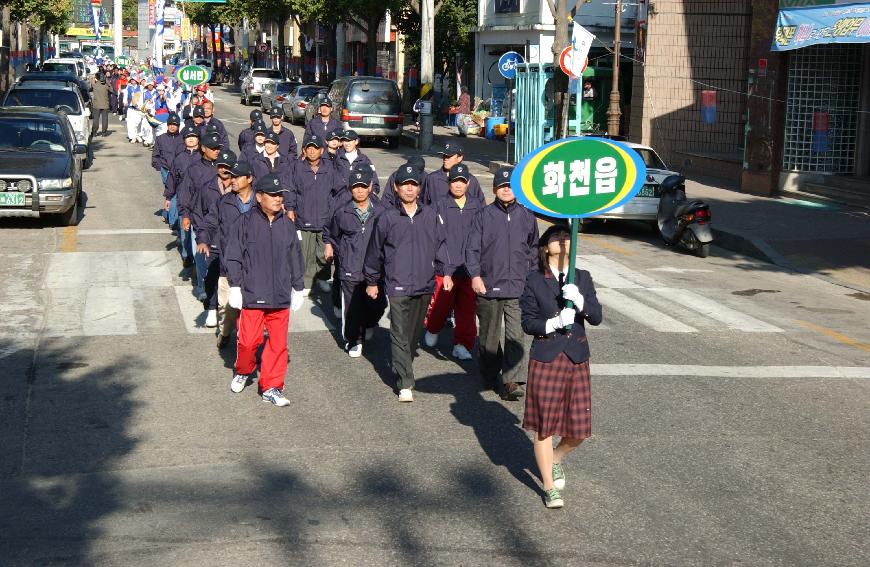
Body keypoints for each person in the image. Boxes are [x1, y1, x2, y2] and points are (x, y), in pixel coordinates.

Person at [519, 225, 602, 509]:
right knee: (544, 427)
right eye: (557, 238)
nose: (564, 241)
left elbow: (597, 317)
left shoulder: (583, 277)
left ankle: (555, 459)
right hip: (547, 354)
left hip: (576, 355)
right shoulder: (534, 279)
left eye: (567, 237)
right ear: (545, 248)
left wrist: (581, 302)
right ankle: (549, 486)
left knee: (579, 429)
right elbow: (528, 322)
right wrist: (553, 323)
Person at [224, 174, 306, 407]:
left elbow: (295, 258)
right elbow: (233, 256)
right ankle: (243, 369)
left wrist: (298, 288)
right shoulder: (244, 222)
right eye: (273, 195)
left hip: (280, 296)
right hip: (252, 294)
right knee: (249, 342)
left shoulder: (287, 225)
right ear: (259, 197)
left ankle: (272, 386)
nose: (278, 199)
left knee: (278, 345)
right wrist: (236, 286)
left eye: (280, 195)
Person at [364, 164, 441, 403]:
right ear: (396, 188)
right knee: (398, 331)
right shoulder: (386, 217)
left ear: (419, 188)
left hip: (424, 283)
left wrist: (446, 272)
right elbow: (374, 252)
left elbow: (442, 245)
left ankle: (404, 359)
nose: (410, 188)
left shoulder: (430, 215)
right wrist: (372, 280)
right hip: (396, 284)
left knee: (412, 333)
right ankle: (405, 382)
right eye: (405, 184)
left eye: (414, 184)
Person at [465, 166, 539, 401]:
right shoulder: (483, 216)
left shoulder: (527, 216)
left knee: (516, 335)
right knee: (488, 337)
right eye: (502, 186)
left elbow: (534, 250)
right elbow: (471, 249)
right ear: (495, 188)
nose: (506, 190)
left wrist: (534, 278)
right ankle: (489, 373)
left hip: (518, 286)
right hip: (488, 286)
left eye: (511, 186)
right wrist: (475, 276)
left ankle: (512, 380)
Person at [324, 168, 387, 357]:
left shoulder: (382, 212)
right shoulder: (342, 212)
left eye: (362, 187)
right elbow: (332, 234)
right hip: (350, 267)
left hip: (376, 269)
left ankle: (369, 323)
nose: (359, 191)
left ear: (369, 187)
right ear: (350, 189)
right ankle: (354, 340)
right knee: (352, 308)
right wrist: (337, 252)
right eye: (355, 187)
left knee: (377, 305)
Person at [423, 163, 481, 361]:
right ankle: (432, 328)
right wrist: (446, 268)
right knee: (441, 305)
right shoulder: (438, 205)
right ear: (448, 182)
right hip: (445, 267)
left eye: (462, 181)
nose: (458, 185)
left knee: (467, 309)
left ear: (469, 183)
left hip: (469, 268)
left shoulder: (477, 206)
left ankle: (462, 344)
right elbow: (436, 239)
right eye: (455, 181)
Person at [199, 160, 255, 349]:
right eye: (232, 176)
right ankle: (224, 332)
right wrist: (203, 238)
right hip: (228, 265)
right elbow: (209, 222)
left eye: (238, 176)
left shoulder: (261, 202)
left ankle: (246, 340)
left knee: (250, 308)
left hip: (254, 265)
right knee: (226, 308)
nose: (233, 180)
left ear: (249, 178)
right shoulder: (224, 201)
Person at [288, 135, 344, 293]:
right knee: (305, 252)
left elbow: (340, 190)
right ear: (304, 150)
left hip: (325, 218)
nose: (312, 151)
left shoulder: (330, 168)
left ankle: (323, 278)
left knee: (322, 253)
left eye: (315, 148)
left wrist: (335, 209)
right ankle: (306, 283)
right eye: (309, 148)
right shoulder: (297, 167)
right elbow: (290, 189)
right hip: (303, 217)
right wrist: (290, 209)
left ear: (322, 150)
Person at [177, 132, 224, 302]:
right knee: (202, 255)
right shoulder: (194, 169)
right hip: (199, 220)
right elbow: (185, 194)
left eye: (218, 147)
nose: (217, 151)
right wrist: (185, 215)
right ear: (203, 148)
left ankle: (220, 286)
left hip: (222, 221)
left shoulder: (224, 166)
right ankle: (203, 286)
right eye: (213, 148)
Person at [336, 130, 379, 194]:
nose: (347, 143)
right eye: (344, 141)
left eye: (349, 140)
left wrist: (373, 192)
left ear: (356, 142)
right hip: (340, 197)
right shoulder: (336, 157)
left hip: (358, 198)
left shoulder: (364, 160)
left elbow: (374, 181)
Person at [151, 112, 182, 193]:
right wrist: (161, 168)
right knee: (170, 193)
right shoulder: (160, 138)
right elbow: (155, 155)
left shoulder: (183, 139)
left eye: (175, 124)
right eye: (170, 124)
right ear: (167, 125)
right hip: (166, 171)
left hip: (180, 172)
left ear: (178, 126)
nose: (172, 126)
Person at [89, 72, 112, 137]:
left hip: (96, 104)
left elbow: (91, 84)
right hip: (105, 104)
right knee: (105, 119)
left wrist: (93, 78)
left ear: (97, 78)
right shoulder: (106, 86)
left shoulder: (95, 85)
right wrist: (107, 82)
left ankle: (94, 132)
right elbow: (112, 90)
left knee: (96, 119)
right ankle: (104, 132)